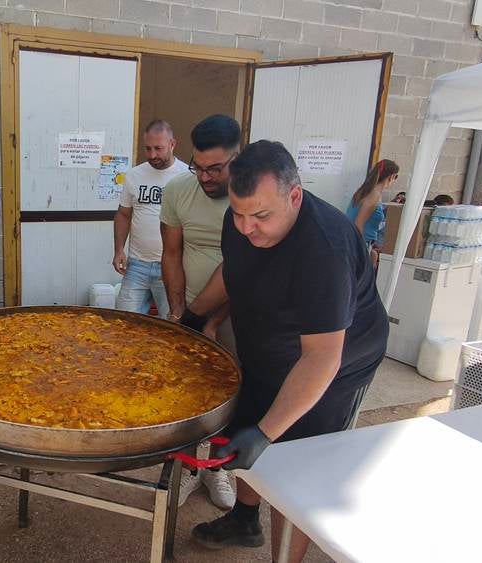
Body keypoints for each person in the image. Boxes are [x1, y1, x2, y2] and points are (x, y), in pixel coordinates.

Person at [181, 140, 388, 562]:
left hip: (337, 361)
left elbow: (321, 358)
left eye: (260, 216)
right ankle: (244, 518)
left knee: (299, 461)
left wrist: (267, 433)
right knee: (247, 420)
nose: (246, 227)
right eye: (238, 214)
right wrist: (194, 313)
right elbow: (233, 267)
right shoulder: (242, 220)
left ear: (294, 196)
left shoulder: (324, 248)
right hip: (271, 341)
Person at [159, 114, 239, 510]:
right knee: (188, 393)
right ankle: (188, 469)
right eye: (198, 167)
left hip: (239, 312)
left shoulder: (250, 196)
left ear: (237, 159)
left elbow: (245, 269)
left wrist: (213, 322)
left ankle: (218, 469)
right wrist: (179, 312)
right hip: (190, 306)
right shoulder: (177, 191)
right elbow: (171, 253)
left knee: (229, 393)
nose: (205, 177)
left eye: (215, 169)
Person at [112, 119, 188, 318]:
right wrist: (119, 249)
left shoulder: (187, 177)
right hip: (136, 265)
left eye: (158, 148)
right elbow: (123, 214)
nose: (152, 155)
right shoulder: (135, 175)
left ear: (172, 144)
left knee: (171, 329)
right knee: (124, 325)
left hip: (173, 268)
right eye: (148, 148)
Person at [345, 159, 399, 265]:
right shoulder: (374, 195)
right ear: (392, 176)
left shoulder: (364, 191)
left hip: (356, 242)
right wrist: (359, 251)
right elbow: (358, 224)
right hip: (360, 243)